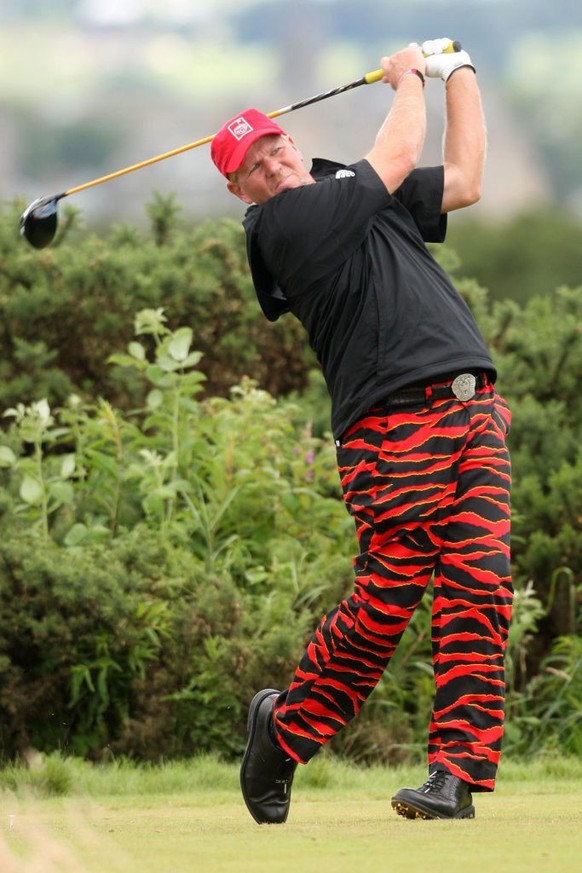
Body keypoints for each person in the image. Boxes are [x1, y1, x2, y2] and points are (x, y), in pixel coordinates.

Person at [210, 38, 513, 823]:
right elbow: (397, 148)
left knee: (479, 588)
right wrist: (407, 76)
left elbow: (470, 180)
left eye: (273, 147)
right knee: (385, 606)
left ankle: (456, 775)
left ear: (290, 139)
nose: (272, 166)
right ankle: (283, 730)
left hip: (473, 406)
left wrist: (461, 71)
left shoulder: (349, 185)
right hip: (391, 426)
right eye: (255, 167)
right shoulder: (283, 225)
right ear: (240, 189)